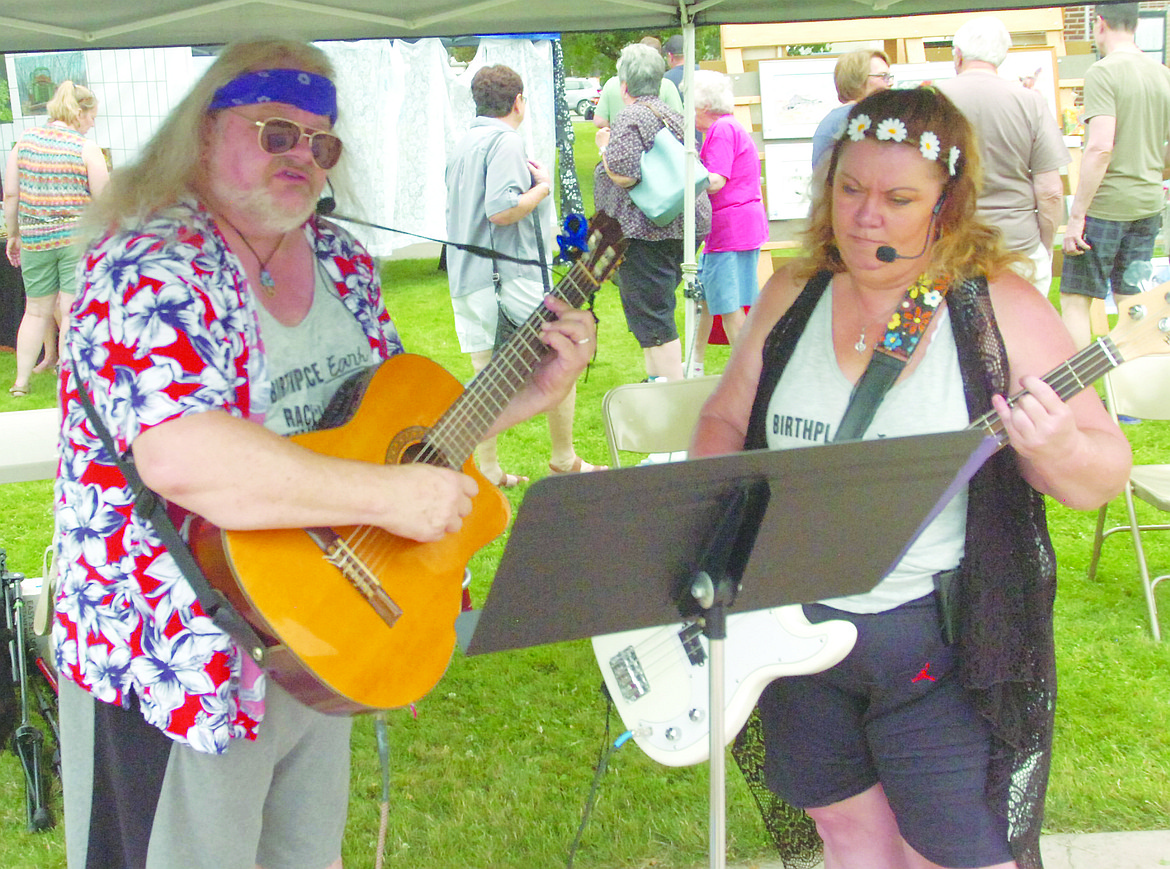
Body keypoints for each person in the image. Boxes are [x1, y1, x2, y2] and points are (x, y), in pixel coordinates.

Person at [53, 39, 596, 869]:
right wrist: (390, 501)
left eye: (321, 142)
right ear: (201, 135)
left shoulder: (341, 263)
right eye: (277, 132)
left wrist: (525, 395)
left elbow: (392, 435)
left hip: (320, 626)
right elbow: (184, 456)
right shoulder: (145, 263)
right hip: (175, 665)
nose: (303, 154)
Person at [692, 87, 1130, 869]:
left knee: (958, 855)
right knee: (847, 834)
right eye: (850, 189)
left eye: (898, 199)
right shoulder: (795, 291)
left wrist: (1055, 446)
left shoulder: (999, 307)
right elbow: (726, 419)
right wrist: (712, 532)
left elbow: (1100, 473)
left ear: (947, 205)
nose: (866, 217)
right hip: (789, 633)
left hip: (936, 645)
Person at [445, 64, 604, 484]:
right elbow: (500, 210)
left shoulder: (463, 143)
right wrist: (541, 189)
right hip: (507, 277)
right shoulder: (505, 140)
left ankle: (488, 470)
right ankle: (564, 458)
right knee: (561, 357)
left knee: (484, 375)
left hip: (467, 277)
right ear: (518, 102)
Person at [594, 42, 711, 382]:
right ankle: (658, 384)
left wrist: (604, 149)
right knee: (653, 311)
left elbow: (626, 173)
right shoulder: (674, 114)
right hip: (686, 225)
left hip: (648, 232)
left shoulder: (630, 116)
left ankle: (670, 392)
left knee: (654, 316)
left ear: (624, 86)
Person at [1060, 1, 1170, 347]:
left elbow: (1099, 147)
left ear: (1100, 24)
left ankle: (1079, 395)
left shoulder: (1103, 72)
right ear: (1136, 25)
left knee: (1075, 300)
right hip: (1148, 203)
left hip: (1106, 206)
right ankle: (1134, 395)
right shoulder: (1162, 73)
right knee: (1132, 304)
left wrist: (1076, 216)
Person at [938, 15, 1069, 296]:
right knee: (1025, 336)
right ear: (1001, 57)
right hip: (1018, 244)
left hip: (952, 244)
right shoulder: (1030, 102)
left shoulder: (934, 100)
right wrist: (1044, 246)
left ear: (957, 55)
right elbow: (1050, 191)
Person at [4, 80, 108, 397]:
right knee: (72, 307)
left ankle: (21, 383)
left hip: (35, 237)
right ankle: (69, 378)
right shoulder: (85, 148)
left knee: (35, 311)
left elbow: (10, 194)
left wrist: (14, 234)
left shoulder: (24, 142)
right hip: (76, 238)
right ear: (79, 112)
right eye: (92, 117)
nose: (92, 124)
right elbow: (105, 198)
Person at [689, 69, 768, 377]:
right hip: (744, 226)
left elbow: (715, 181)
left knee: (730, 308)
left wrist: (684, 174)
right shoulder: (731, 126)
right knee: (710, 300)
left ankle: (748, 378)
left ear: (703, 106)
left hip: (729, 231)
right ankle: (694, 365)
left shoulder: (721, 129)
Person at [810, 49, 892, 170]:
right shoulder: (856, 118)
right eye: (883, 76)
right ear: (858, 79)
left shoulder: (834, 118)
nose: (890, 83)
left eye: (889, 77)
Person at [592, 37, 683, 130]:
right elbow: (677, 121)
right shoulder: (666, 85)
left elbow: (599, 120)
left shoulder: (611, 83)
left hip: (619, 139)